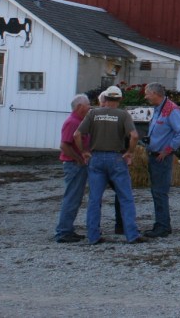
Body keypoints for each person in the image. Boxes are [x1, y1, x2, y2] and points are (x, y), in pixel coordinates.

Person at [73, 85, 143, 244]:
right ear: (119, 99)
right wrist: (130, 152)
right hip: (116, 158)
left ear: (104, 99)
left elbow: (77, 134)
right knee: (126, 197)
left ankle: (93, 236)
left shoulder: (93, 113)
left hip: (96, 158)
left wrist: (84, 151)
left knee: (94, 199)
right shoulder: (123, 115)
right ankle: (132, 235)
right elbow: (134, 135)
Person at [143, 82, 180, 238]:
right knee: (157, 192)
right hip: (154, 155)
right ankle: (161, 224)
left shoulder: (171, 110)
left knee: (160, 192)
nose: (145, 96)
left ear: (155, 93)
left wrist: (168, 149)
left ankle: (163, 226)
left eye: (147, 93)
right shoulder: (159, 109)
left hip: (161, 157)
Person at [54, 94, 91, 243]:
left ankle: (66, 229)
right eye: (87, 105)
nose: (89, 107)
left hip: (76, 164)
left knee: (74, 197)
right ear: (79, 107)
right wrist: (78, 159)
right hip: (74, 165)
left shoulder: (78, 121)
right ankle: (64, 231)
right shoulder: (73, 122)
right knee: (72, 198)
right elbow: (64, 145)